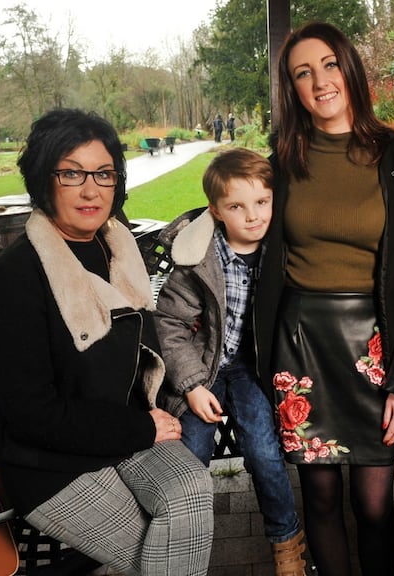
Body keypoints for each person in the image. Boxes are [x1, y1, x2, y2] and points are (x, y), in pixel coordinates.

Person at [0, 108, 214, 576]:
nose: (91, 190)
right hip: (49, 462)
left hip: (121, 429)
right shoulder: (16, 276)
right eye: (72, 173)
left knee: (192, 492)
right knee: (165, 551)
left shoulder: (117, 248)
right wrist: (142, 429)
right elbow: (31, 414)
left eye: (103, 173)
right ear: (44, 179)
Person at [255, 21, 394, 576]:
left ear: (350, 68)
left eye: (329, 64)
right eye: (302, 73)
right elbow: (242, 234)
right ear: (292, 88)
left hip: (376, 348)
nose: (320, 82)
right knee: (319, 499)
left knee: (374, 503)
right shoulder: (282, 161)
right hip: (302, 346)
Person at [155, 147, 308, 576]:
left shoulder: (281, 251)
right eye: (237, 206)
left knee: (263, 451)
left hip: (250, 368)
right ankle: (183, 546)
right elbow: (169, 322)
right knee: (191, 453)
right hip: (203, 367)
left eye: (262, 201)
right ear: (216, 211)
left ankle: (286, 541)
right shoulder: (198, 260)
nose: (253, 216)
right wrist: (190, 384)